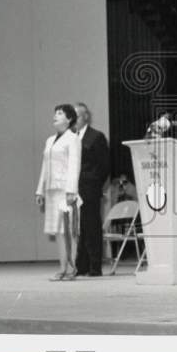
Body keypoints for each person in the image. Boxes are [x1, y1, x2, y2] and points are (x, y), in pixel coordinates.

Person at [35, 104, 82, 281]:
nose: (55, 116)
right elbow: (45, 167)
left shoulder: (73, 138)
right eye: (55, 113)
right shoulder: (49, 140)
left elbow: (74, 165)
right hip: (52, 190)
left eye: (60, 113)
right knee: (58, 231)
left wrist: (71, 191)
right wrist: (40, 191)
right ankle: (62, 268)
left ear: (69, 119)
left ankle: (71, 268)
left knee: (68, 230)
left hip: (65, 191)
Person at [73, 103, 110, 278]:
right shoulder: (71, 137)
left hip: (90, 187)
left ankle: (95, 266)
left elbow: (104, 165)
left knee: (92, 226)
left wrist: (94, 183)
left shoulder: (96, 137)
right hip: (75, 188)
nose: (75, 120)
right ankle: (82, 265)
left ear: (85, 116)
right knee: (82, 227)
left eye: (77, 116)